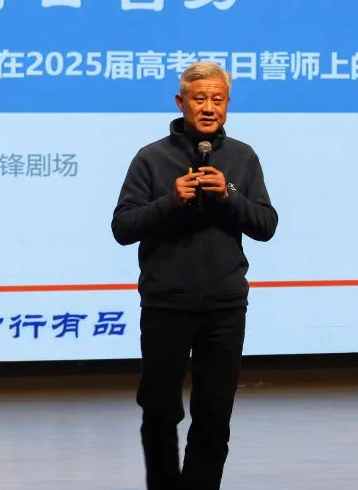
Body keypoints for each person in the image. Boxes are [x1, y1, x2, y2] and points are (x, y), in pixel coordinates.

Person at [111, 61, 278, 490]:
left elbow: (266, 225)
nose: (208, 107)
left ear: (228, 104)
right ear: (180, 102)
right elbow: (122, 228)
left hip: (225, 308)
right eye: (199, 98)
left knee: (214, 416)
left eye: (217, 99)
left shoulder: (242, 157)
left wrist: (229, 195)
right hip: (166, 306)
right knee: (160, 412)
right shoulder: (151, 157)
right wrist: (170, 202)